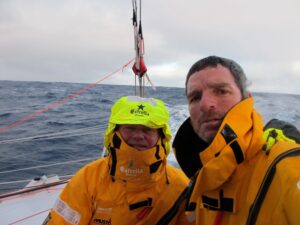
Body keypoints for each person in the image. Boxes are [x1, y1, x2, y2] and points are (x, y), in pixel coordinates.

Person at [172, 56, 300, 225]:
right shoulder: (201, 173)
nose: (205, 105)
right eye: (195, 97)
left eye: (221, 91)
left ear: (247, 98)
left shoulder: (286, 165)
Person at [44, 95, 195, 225]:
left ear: (161, 136)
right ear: (115, 133)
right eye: (130, 128)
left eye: (147, 129)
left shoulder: (181, 187)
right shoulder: (87, 179)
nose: (138, 135)